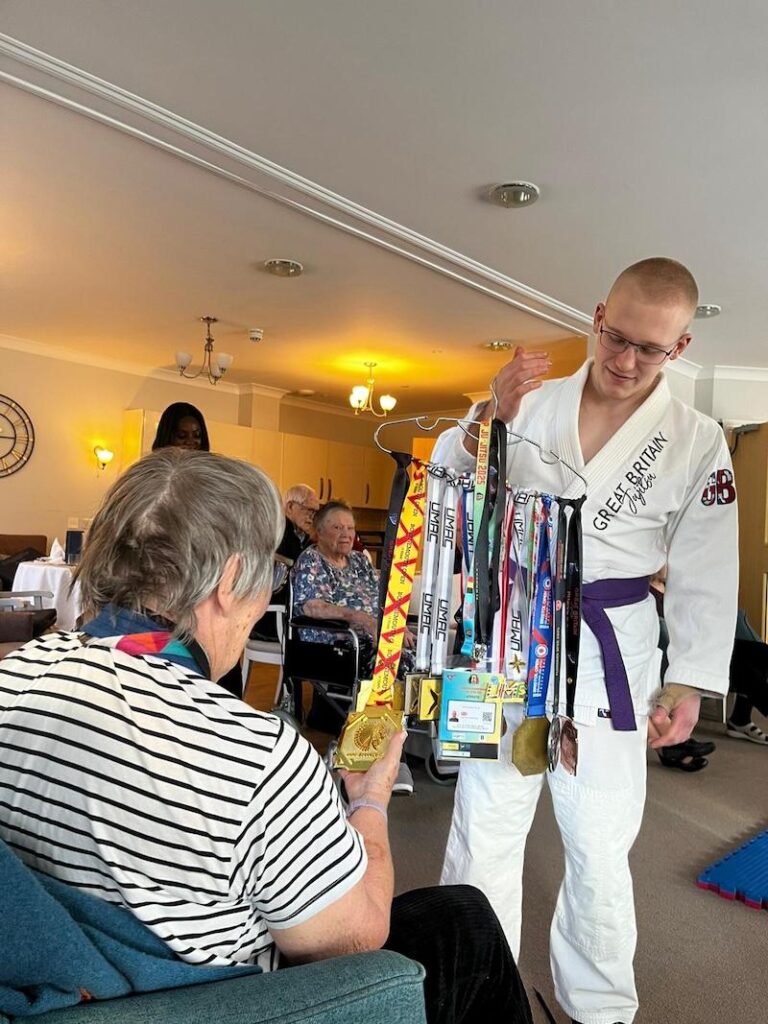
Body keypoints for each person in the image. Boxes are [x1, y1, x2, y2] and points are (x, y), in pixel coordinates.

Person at [0, 449, 532, 1024]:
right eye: (265, 576)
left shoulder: (12, 675)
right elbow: (354, 938)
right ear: (229, 582)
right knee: (467, 924)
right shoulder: (255, 754)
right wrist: (370, 802)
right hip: (202, 1001)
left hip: (62, 982)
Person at [432, 258, 738, 1024]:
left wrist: (690, 680)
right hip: (510, 635)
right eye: (616, 337)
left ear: (681, 346)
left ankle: (597, 1008)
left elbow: (705, 568)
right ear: (597, 315)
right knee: (484, 824)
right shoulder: (527, 401)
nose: (627, 361)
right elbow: (446, 473)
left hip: (613, 647)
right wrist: (484, 420)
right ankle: (477, 997)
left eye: (650, 349)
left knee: (600, 843)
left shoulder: (697, 440)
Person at [292, 500, 416, 794]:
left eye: (350, 527)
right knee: (392, 665)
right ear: (319, 532)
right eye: (337, 527)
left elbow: (379, 601)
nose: (346, 534)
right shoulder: (311, 561)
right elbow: (313, 606)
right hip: (331, 643)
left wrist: (397, 625)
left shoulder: (360, 560)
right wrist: (359, 619)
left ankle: (397, 748)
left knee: (419, 657)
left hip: (368, 638)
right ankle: (381, 756)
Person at [250, 484, 320, 644]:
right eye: (309, 510)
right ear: (290, 506)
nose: (312, 517)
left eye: (316, 512)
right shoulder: (277, 534)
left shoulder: (302, 536)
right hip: (271, 618)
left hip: (288, 614)